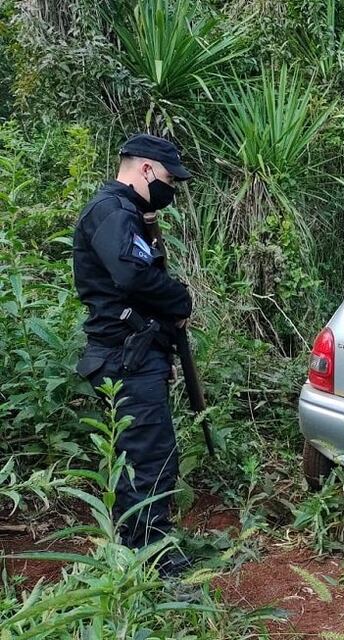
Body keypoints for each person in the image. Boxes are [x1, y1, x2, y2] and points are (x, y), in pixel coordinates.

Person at [72, 133, 193, 575]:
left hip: (136, 355)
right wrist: (178, 300)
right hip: (126, 358)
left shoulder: (128, 212)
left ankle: (140, 545)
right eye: (167, 178)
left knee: (142, 454)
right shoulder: (111, 211)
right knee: (148, 458)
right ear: (144, 169)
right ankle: (154, 560)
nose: (171, 189)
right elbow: (131, 275)